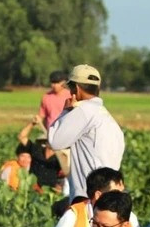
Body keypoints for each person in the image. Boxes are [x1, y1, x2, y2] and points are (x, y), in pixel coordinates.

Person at [45, 64, 125, 201]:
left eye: (70, 88)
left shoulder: (83, 111)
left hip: (89, 197)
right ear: (98, 88)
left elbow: (55, 141)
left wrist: (65, 111)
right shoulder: (107, 118)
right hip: (109, 195)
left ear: (76, 88)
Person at [18, 117, 63, 190]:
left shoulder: (60, 156)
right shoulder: (36, 149)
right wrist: (32, 124)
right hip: (32, 189)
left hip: (49, 192)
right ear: (46, 142)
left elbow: (66, 173)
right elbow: (21, 137)